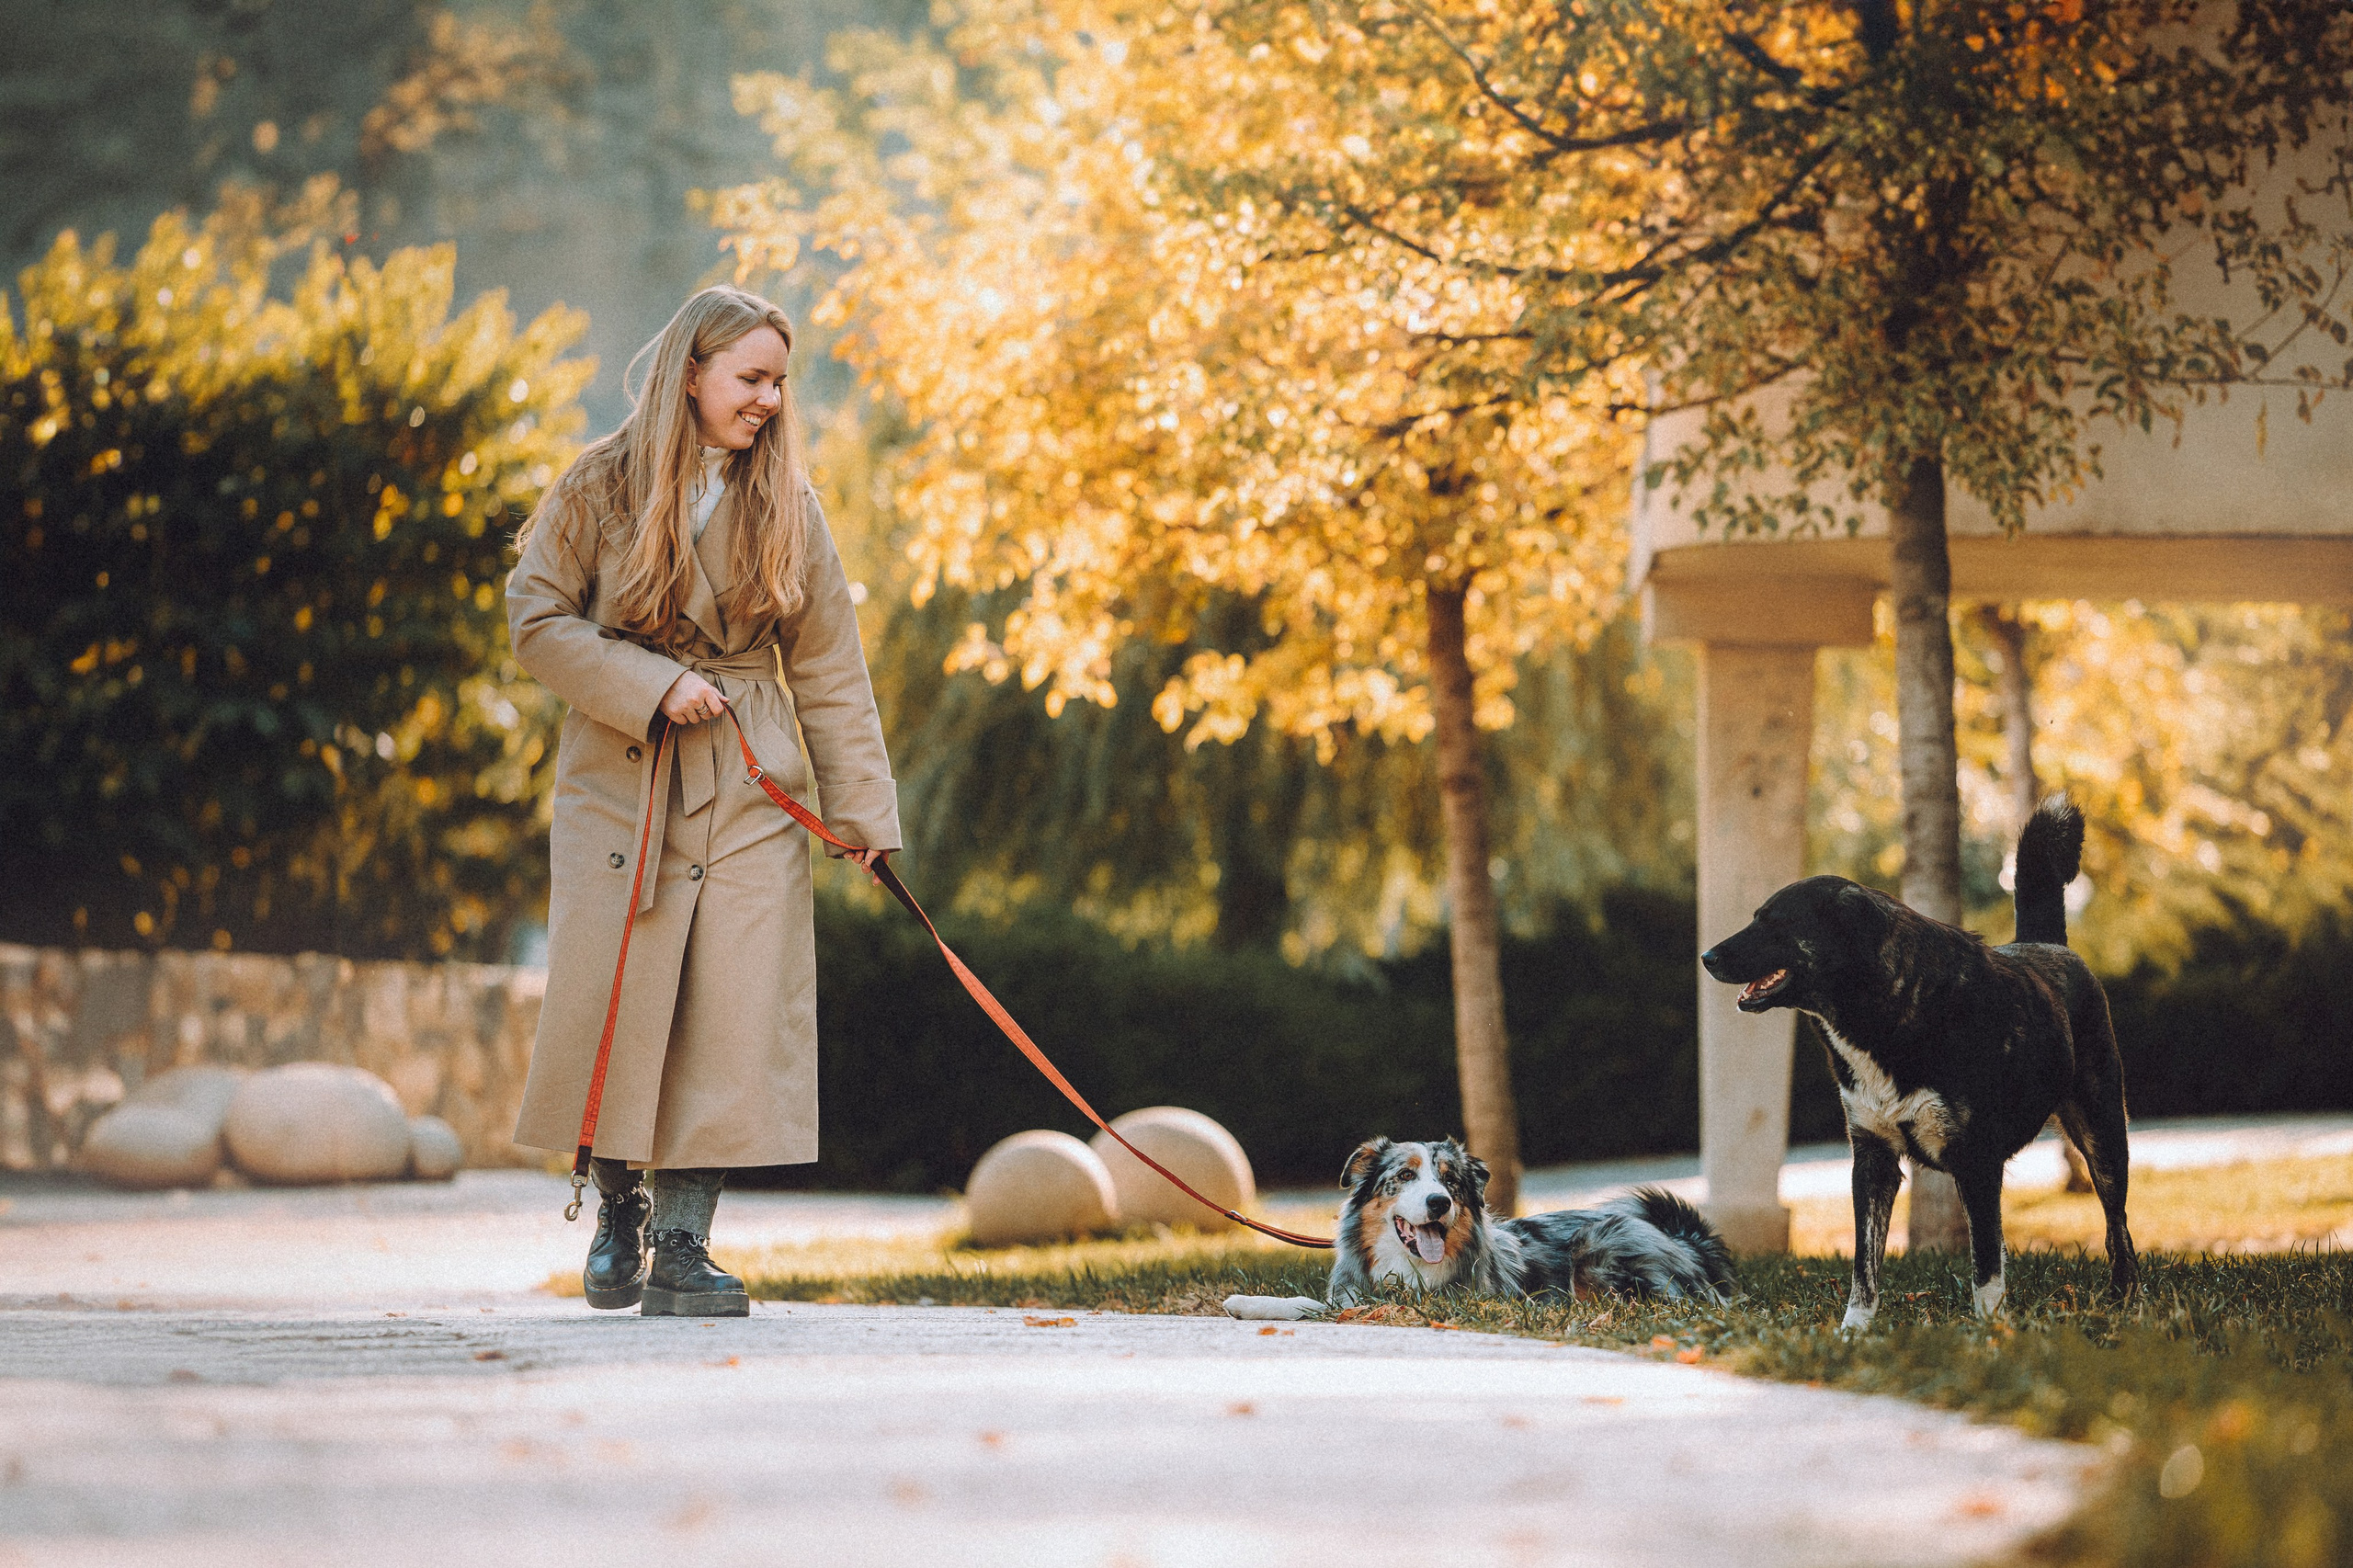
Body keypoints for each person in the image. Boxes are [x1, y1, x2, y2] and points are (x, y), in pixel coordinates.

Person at [505, 286, 897, 1316]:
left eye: (779, 383)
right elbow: (536, 619)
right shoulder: (597, 485)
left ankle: (685, 1242)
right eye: (750, 378)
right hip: (623, 772)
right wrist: (648, 683)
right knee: (624, 997)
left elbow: (830, 670)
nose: (769, 400)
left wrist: (860, 818)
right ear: (691, 370)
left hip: (747, 776)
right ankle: (618, 1211)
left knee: (732, 1003)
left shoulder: (791, 506)